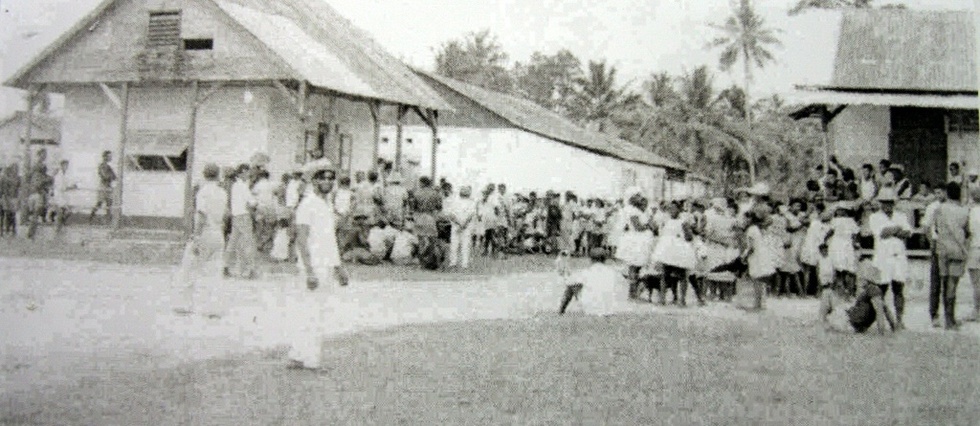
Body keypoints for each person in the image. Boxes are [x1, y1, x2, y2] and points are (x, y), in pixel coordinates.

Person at [289, 164, 349, 370]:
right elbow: (302, 239)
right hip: (313, 265)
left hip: (327, 264)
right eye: (323, 178)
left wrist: (339, 267)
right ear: (314, 181)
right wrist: (309, 271)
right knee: (312, 312)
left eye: (331, 179)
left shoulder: (327, 204)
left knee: (314, 311)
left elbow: (329, 239)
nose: (327, 182)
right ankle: (310, 359)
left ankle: (298, 355)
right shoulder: (307, 204)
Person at [174, 163, 228, 317]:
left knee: (189, 267)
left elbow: (202, 215)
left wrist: (196, 237)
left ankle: (185, 304)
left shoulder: (203, 192)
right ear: (218, 175)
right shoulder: (223, 193)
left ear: (204, 175)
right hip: (218, 233)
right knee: (214, 272)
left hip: (205, 232)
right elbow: (225, 214)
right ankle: (213, 308)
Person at [926, 182, 970, 330]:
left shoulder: (939, 209)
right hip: (957, 250)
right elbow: (967, 231)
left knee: (943, 282)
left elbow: (935, 228)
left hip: (942, 249)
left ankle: (945, 319)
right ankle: (950, 319)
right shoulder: (964, 211)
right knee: (952, 285)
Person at [869, 189, 911, 329]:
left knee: (898, 289)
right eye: (885, 202)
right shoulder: (874, 217)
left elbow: (908, 233)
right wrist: (897, 229)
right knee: (880, 290)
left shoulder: (901, 215)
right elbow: (882, 233)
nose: (887, 205)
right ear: (881, 203)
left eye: (890, 202)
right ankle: (881, 320)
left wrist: (892, 231)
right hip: (883, 258)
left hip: (898, 257)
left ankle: (899, 320)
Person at [823, 261, 896, 335]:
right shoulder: (873, 290)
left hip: (848, 321)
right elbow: (884, 312)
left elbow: (881, 313)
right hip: (847, 321)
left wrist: (884, 333)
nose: (858, 280)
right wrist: (891, 330)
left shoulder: (872, 289)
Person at [652, 201, 700, 306]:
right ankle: (662, 299)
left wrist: (681, 237)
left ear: (679, 209)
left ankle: (682, 300)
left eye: (674, 208)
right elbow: (661, 233)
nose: (672, 210)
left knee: (682, 275)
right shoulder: (666, 221)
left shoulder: (683, 221)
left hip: (679, 250)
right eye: (670, 208)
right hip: (667, 250)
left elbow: (689, 237)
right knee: (665, 274)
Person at [558, 247, 625, 316]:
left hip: (590, 309)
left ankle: (561, 311)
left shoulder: (587, 272)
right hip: (610, 309)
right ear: (605, 260)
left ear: (591, 260)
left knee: (572, 286)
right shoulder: (612, 272)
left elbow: (569, 282)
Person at [616, 189, 654, 299]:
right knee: (634, 266)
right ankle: (632, 292)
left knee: (638, 267)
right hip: (637, 240)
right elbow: (637, 227)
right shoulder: (633, 211)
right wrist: (648, 225)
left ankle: (635, 290)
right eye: (639, 198)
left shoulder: (641, 212)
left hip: (643, 239)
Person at [225, 164, 258, 279]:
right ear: (243, 172)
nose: (249, 174)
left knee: (233, 242)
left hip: (236, 216)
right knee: (248, 242)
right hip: (244, 216)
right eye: (248, 172)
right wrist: (255, 201)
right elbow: (251, 202)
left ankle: (226, 266)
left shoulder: (235, 185)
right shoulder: (243, 186)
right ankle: (251, 269)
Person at [827, 202, 860, 298]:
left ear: (845, 211)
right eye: (838, 210)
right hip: (839, 244)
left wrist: (854, 242)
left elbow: (855, 233)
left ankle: (848, 292)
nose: (839, 211)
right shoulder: (839, 220)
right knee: (840, 269)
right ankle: (842, 292)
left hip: (844, 244)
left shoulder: (848, 221)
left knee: (846, 269)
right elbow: (831, 231)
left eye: (841, 210)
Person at [447, 185, 477, 269]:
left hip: (456, 226)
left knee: (454, 245)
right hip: (466, 227)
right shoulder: (472, 202)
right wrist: (463, 225)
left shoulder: (454, 201)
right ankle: (464, 264)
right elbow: (471, 215)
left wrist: (459, 224)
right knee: (465, 245)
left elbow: (451, 215)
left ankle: (453, 263)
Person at [251, 169, 278, 255]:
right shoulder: (272, 184)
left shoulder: (257, 185)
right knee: (269, 226)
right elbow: (276, 194)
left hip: (260, 207)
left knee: (259, 226)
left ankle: (259, 243)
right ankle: (264, 241)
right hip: (270, 208)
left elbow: (253, 196)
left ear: (260, 176)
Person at [49, 159, 78, 233]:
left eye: (67, 165)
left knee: (66, 212)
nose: (66, 167)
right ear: (62, 165)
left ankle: (58, 224)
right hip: (58, 196)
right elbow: (61, 187)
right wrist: (71, 187)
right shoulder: (59, 175)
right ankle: (57, 227)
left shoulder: (64, 175)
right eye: (65, 165)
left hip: (62, 197)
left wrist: (72, 185)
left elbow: (66, 184)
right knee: (62, 212)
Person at [90, 150, 116, 223]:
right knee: (100, 202)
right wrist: (110, 176)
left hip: (108, 186)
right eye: (109, 156)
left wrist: (110, 176)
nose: (110, 158)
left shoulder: (109, 167)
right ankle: (91, 217)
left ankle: (109, 220)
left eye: (111, 156)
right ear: (105, 157)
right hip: (103, 186)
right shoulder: (102, 166)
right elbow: (105, 176)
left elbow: (114, 177)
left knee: (109, 203)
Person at [966, 187, 980, 322]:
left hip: (975, 248)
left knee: (976, 282)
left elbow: (969, 231)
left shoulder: (972, 212)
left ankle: (977, 311)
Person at [0, 164, 20, 237]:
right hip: (6, 198)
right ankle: (6, 230)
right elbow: (3, 189)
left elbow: (16, 189)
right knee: (6, 214)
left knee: (9, 214)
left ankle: (9, 230)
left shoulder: (12, 178)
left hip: (9, 198)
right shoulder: (4, 178)